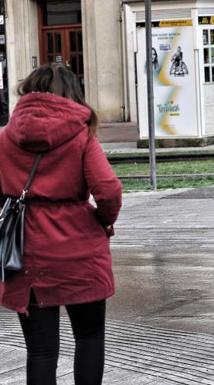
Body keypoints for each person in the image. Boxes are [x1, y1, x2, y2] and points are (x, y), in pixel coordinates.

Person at [0, 63, 123, 383]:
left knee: (40, 351)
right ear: (72, 93)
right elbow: (107, 190)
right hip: (80, 248)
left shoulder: (5, 137)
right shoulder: (80, 133)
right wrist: (102, 222)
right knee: (89, 338)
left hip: (27, 251)